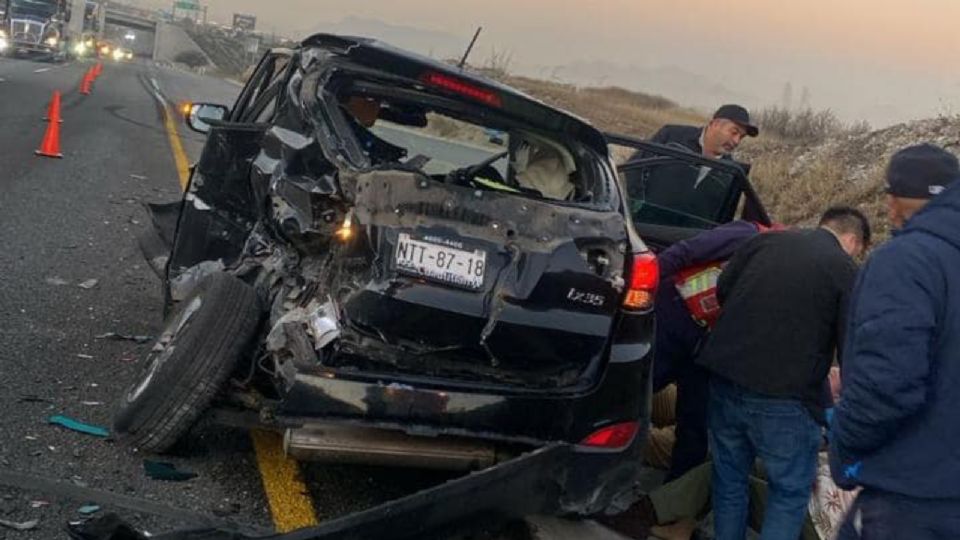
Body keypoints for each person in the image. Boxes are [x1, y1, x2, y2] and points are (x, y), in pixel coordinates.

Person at [697, 206, 870, 540]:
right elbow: (852, 346)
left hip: (726, 379)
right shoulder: (845, 270)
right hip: (785, 401)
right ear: (853, 241)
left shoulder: (765, 242)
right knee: (788, 493)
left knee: (729, 479)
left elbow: (723, 291)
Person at [829, 144, 960, 539]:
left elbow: (887, 385)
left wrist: (843, 450)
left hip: (913, 498)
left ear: (897, 198)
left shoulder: (907, 260)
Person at [652, 219, 774, 480]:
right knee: (634, 392)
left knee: (695, 425)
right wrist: (642, 287)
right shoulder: (748, 235)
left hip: (707, 348)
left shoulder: (785, 279)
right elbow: (685, 251)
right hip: (672, 315)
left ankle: (672, 502)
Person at [648, 104, 759, 160]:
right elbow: (634, 171)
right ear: (714, 124)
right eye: (734, 132)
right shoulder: (671, 136)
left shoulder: (730, 171)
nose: (736, 141)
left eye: (741, 137)